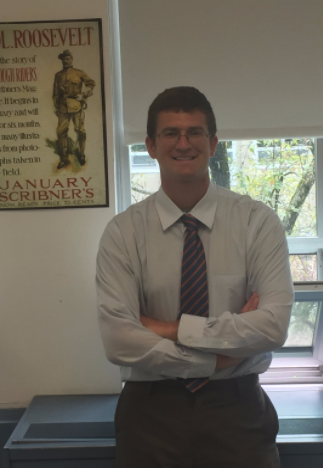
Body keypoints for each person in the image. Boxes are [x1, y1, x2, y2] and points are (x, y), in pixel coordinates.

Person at [96, 87, 294, 467]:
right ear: (151, 146)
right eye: (171, 133)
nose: (183, 143)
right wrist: (214, 358)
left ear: (213, 143)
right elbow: (118, 339)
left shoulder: (257, 223)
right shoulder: (123, 233)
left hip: (238, 409)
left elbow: (273, 327)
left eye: (194, 132)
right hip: (150, 413)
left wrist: (169, 328)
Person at [52, 49, 96, 170]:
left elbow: (91, 84)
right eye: (63, 59)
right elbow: (55, 92)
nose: (65, 61)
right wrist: (55, 106)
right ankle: (64, 159)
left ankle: (81, 154)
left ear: (71, 59)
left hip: (76, 106)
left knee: (80, 130)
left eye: (68, 59)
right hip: (62, 107)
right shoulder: (58, 75)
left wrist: (84, 95)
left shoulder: (79, 73)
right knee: (61, 132)